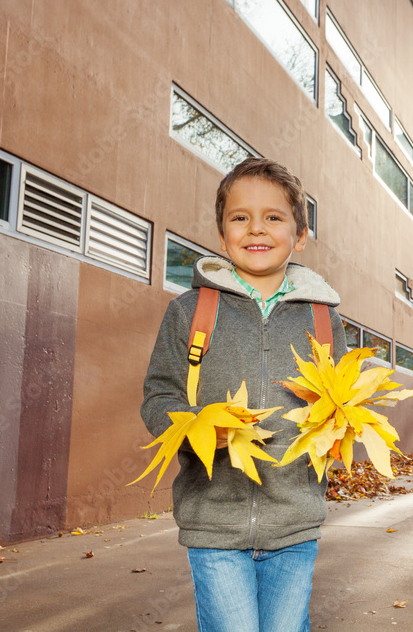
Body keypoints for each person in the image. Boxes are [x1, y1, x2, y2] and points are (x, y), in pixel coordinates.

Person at [140, 157, 347, 632]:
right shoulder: (190, 310)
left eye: (273, 217)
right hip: (213, 520)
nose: (257, 229)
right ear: (222, 234)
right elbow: (159, 394)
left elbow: (338, 401)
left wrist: (342, 425)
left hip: (295, 520)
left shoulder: (323, 318)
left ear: (299, 236)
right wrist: (192, 429)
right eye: (240, 217)